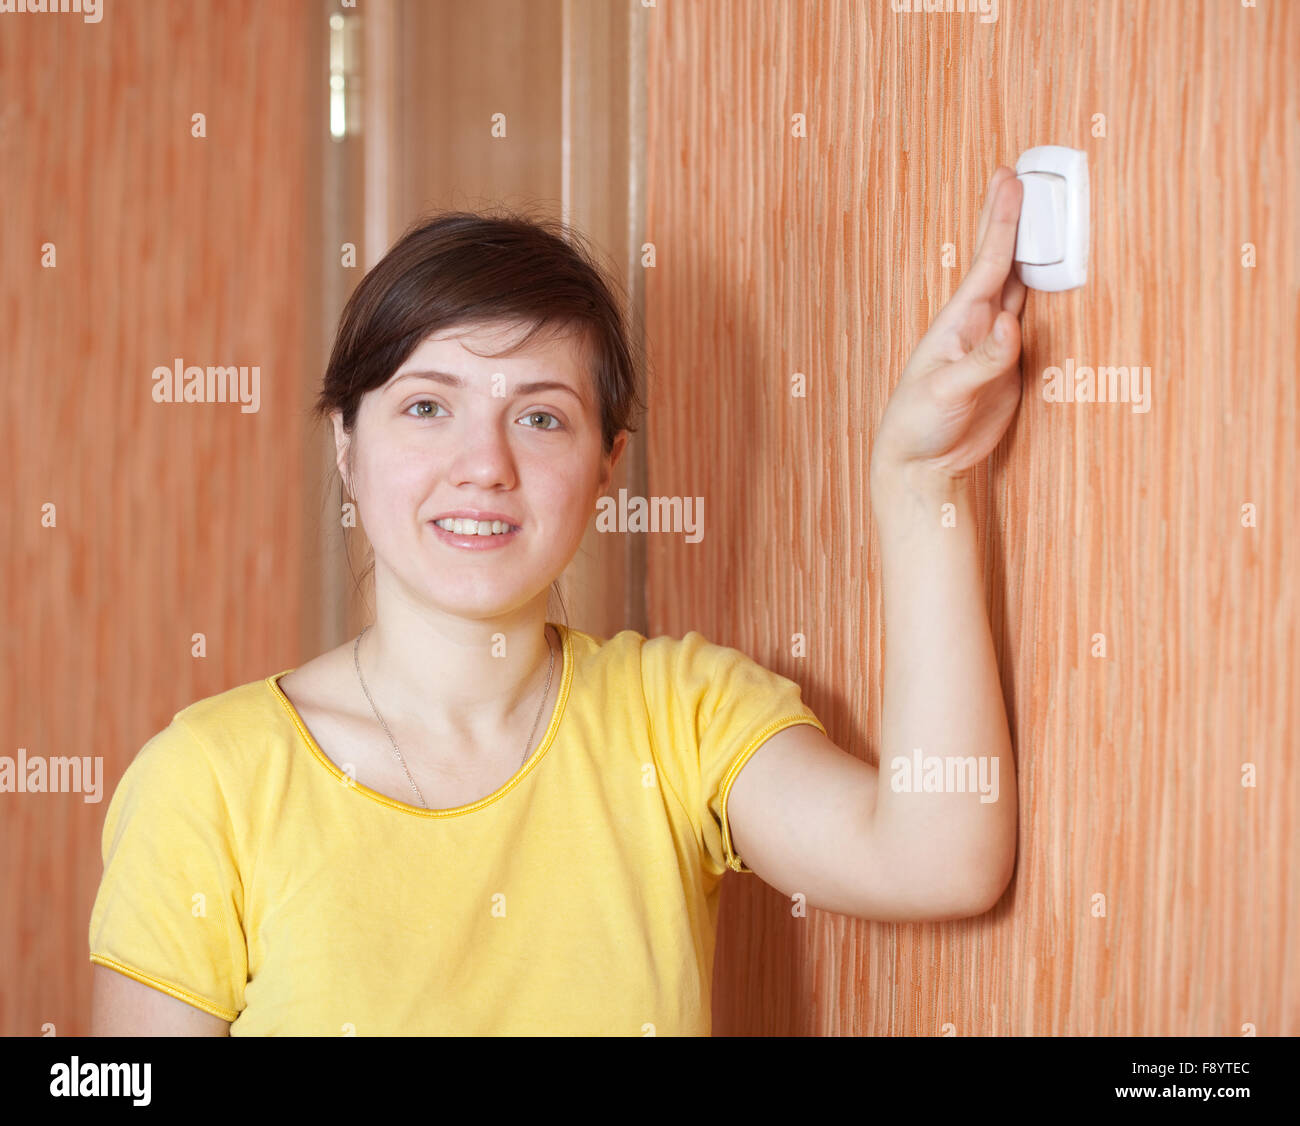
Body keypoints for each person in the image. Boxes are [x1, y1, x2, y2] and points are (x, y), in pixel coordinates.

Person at [90, 171, 1024, 1035]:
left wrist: (921, 484)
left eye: (540, 417)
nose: (485, 467)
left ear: (606, 466)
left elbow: (939, 855)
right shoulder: (205, 783)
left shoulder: (678, 718)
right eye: (427, 407)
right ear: (347, 443)